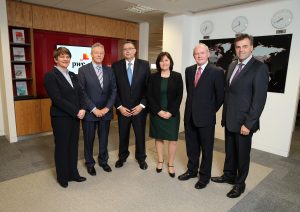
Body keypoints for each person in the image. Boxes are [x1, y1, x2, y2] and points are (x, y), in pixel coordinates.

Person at [211, 34, 269, 198]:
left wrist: (249, 123)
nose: (241, 50)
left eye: (244, 46)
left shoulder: (259, 68)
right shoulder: (232, 65)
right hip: (230, 118)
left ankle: (240, 183)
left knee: (242, 155)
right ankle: (228, 175)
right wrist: (223, 116)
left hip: (244, 122)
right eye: (238, 47)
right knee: (230, 151)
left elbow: (259, 100)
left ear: (251, 47)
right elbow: (228, 93)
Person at [178, 43, 225, 190]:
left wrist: (210, 110)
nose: (199, 56)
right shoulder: (189, 70)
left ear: (208, 54)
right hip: (190, 116)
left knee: (206, 149)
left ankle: (204, 177)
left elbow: (220, 96)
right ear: (194, 56)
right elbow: (192, 93)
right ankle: (192, 171)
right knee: (191, 147)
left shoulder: (216, 71)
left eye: (202, 53)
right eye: (196, 54)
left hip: (206, 118)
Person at [44, 47, 86, 188]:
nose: (65, 59)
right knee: (62, 147)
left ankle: (73, 174)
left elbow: (81, 94)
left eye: (67, 57)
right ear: (56, 59)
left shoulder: (73, 75)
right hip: (61, 117)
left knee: (73, 146)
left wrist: (83, 109)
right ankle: (62, 177)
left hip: (75, 116)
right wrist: (76, 111)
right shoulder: (50, 76)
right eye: (62, 57)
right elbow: (57, 99)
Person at [78, 43, 117, 176]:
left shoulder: (109, 70)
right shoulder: (83, 70)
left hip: (106, 112)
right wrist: (93, 108)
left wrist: (107, 108)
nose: (99, 55)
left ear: (104, 54)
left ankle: (103, 161)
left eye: (101, 52)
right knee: (89, 139)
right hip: (90, 112)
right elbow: (82, 92)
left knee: (104, 138)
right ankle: (89, 163)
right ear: (91, 54)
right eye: (96, 52)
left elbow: (114, 90)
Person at [112, 41, 150, 170]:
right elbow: (114, 89)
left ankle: (141, 158)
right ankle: (122, 157)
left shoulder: (144, 65)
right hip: (123, 109)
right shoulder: (116, 66)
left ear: (135, 51)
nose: (127, 51)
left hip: (139, 109)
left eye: (130, 48)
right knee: (123, 135)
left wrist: (142, 105)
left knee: (140, 135)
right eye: (125, 49)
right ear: (123, 52)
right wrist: (119, 106)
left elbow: (148, 88)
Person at [147, 52, 183, 178]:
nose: (164, 63)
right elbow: (149, 96)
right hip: (157, 112)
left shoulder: (177, 76)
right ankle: (160, 161)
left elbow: (179, 96)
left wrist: (170, 112)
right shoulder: (153, 77)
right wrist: (159, 111)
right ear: (158, 63)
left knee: (173, 139)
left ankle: (171, 163)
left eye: (166, 60)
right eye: (161, 61)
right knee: (159, 137)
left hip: (172, 114)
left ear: (170, 62)